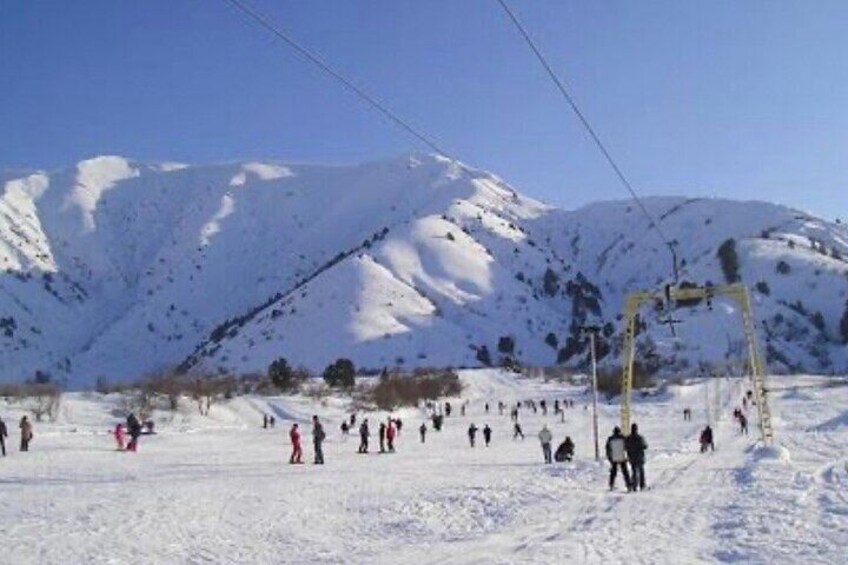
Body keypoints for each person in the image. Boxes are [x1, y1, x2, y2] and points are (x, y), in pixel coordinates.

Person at [605, 426, 631, 491]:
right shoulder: (623, 438)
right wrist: (627, 456)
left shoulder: (610, 439)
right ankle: (628, 485)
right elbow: (627, 447)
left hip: (614, 457)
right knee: (625, 472)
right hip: (622, 456)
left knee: (613, 472)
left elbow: (607, 448)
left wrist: (609, 457)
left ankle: (611, 485)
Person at [625, 423, 647, 491]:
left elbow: (625, 447)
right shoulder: (639, 437)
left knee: (634, 471)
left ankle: (634, 485)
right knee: (641, 471)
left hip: (632, 457)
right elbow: (644, 446)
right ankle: (642, 485)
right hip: (639, 457)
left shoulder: (628, 438)